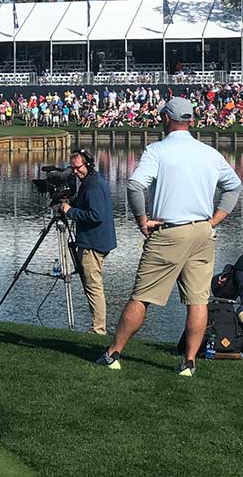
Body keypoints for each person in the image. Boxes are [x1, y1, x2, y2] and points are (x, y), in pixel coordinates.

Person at [96, 97, 242, 376]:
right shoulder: (209, 153)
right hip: (202, 231)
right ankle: (189, 362)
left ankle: (113, 353)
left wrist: (141, 220)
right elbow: (234, 187)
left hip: (169, 232)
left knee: (142, 297)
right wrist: (215, 219)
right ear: (191, 121)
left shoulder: (157, 150)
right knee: (198, 300)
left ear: (166, 118)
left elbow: (135, 185)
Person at [60, 149, 116, 334]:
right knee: (92, 284)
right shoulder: (91, 181)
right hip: (94, 241)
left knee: (93, 286)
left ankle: (98, 329)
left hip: (93, 243)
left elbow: (95, 215)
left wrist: (70, 211)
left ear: (89, 164)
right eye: (73, 168)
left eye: (78, 167)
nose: (75, 172)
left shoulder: (93, 185)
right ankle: (97, 326)